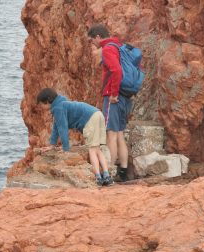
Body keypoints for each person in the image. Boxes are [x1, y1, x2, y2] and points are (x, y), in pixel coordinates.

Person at [36, 88, 113, 186]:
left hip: (90, 119)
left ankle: (98, 177)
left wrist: (65, 149)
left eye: (41, 104)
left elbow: (62, 129)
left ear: (47, 101)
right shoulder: (62, 104)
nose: (40, 107)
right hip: (97, 114)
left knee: (92, 150)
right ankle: (106, 175)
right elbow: (56, 127)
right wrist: (52, 145)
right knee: (97, 149)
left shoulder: (58, 109)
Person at [87, 24, 132, 182]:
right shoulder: (118, 46)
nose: (92, 43)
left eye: (92, 40)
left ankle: (110, 171)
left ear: (98, 36)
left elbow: (116, 71)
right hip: (125, 96)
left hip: (114, 97)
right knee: (119, 134)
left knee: (111, 134)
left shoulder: (107, 49)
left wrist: (113, 94)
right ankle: (124, 172)